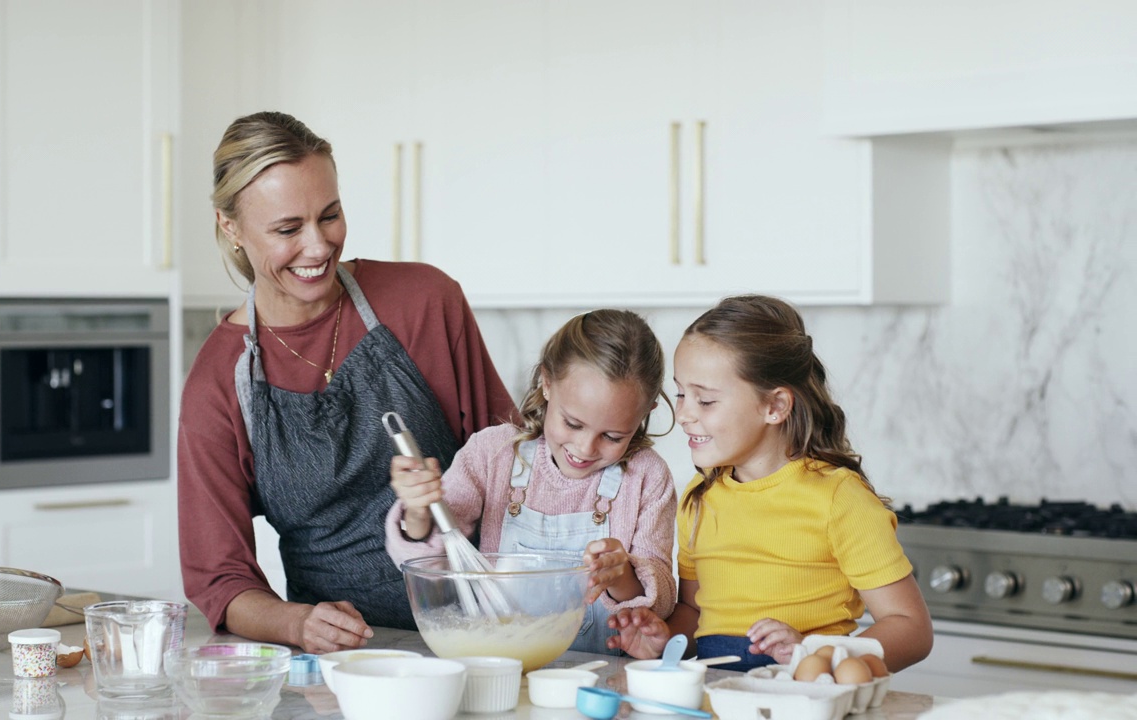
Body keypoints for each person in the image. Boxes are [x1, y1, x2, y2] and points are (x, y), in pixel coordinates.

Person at [178, 111, 516, 654]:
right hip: (342, 661)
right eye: (288, 229)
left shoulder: (424, 301)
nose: (317, 247)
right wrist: (296, 624)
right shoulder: (219, 381)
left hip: (482, 636)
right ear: (231, 226)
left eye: (330, 216)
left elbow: (517, 470)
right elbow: (220, 580)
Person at [607, 295, 932, 672]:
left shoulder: (839, 499)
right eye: (681, 393)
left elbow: (912, 629)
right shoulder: (700, 502)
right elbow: (696, 613)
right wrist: (665, 639)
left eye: (706, 401)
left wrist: (817, 656)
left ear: (775, 406)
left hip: (803, 701)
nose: (683, 414)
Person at [384, 309, 678, 655]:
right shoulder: (493, 454)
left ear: (645, 414)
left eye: (612, 436)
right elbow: (437, 559)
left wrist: (622, 575)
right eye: (572, 423)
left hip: (596, 675)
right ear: (547, 382)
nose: (585, 448)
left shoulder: (647, 477)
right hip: (497, 662)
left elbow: (661, 603)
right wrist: (418, 512)